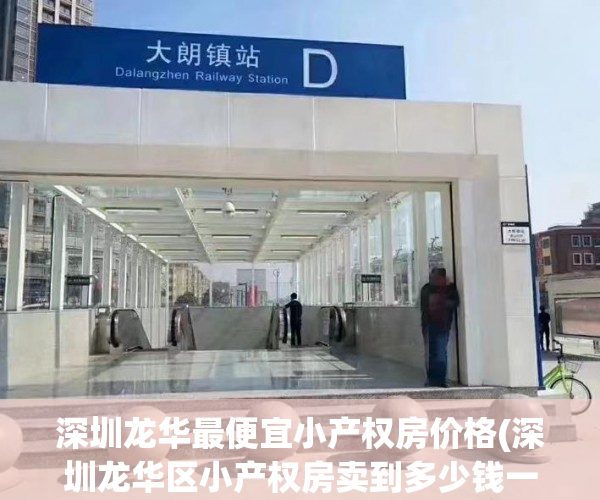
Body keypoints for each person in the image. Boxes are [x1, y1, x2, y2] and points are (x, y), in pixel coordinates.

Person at [419, 268, 460, 388]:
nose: (433, 279)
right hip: (431, 325)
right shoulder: (428, 288)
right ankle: (433, 379)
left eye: (435, 277)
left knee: (439, 353)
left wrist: (441, 300)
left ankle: (439, 379)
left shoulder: (448, 288)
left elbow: (455, 303)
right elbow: (425, 306)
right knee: (433, 353)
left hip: (441, 325)